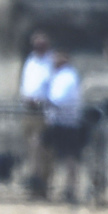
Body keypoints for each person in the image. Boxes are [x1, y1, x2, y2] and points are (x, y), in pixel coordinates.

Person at [39, 48, 85, 203]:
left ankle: (70, 189)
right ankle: (48, 186)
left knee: (69, 158)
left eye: (57, 56)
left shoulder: (69, 77)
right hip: (56, 122)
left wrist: (44, 102)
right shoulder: (56, 76)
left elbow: (60, 99)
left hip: (67, 123)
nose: (53, 59)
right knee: (46, 151)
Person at [18, 31, 55, 198]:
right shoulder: (30, 61)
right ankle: (33, 186)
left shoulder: (51, 62)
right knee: (31, 150)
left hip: (43, 111)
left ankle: (43, 187)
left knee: (42, 150)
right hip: (28, 111)